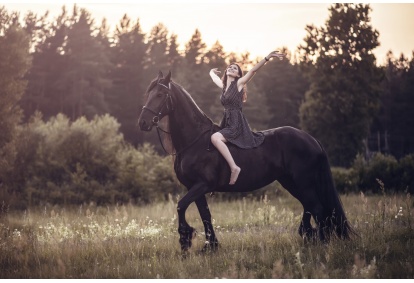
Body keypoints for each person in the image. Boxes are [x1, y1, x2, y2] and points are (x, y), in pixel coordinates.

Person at [209, 50, 285, 185]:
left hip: (236, 123)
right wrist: (211, 72)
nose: (231, 68)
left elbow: (253, 71)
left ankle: (234, 167)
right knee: (213, 141)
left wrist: (267, 57)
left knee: (215, 138)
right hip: (226, 121)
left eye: (234, 68)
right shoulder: (224, 87)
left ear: (238, 74)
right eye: (229, 67)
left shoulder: (238, 84)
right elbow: (214, 78)